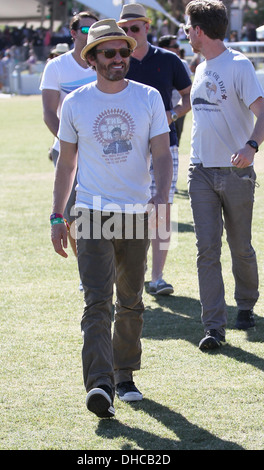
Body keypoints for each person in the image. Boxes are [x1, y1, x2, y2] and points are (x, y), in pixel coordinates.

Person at [50, 19, 173, 418]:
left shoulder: (149, 97)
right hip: (90, 212)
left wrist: (160, 196)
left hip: (136, 212)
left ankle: (125, 375)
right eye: (109, 53)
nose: (119, 58)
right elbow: (66, 164)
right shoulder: (77, 102)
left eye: (124, 51)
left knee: (132, 300)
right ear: (93, 58)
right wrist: (56, 216)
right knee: (97, 300)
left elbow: (161, 153)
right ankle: (100, 384)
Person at [184, 0, 264, 351]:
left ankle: (246, 304)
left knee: (240, 247)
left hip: (236, 171)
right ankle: (213, 327)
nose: (186, 34)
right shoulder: (199, 67)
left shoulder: (239, 65)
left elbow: (263, 112)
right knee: (207, 250)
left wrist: (250, 147)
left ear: (200, 30)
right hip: (200, 170)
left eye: (188, 28)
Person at [118, 3, 192, 296]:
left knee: (161, 207)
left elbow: (187, 98)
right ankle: (133, 271)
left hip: (165, 145)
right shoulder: (116, 59)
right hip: (126, 147)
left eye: (134, 28)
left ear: (147, 27)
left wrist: (170, 116)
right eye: (124, 30)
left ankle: (157, 277)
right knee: (129, 208)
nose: (129, 34)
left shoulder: (169, 60)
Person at [40, 11, 99, 259]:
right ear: (73, 33)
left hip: (101, 151)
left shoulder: (105, 63)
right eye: (85, 30)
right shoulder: (57, 67)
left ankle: (112, 269)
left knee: (104, 213)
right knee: (73, 213)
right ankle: (86, 271)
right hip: (67, 151)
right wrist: (71, 145)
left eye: (94, 30)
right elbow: (49, 113)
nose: (90, 35)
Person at [158, 34, 192, 144]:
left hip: (179, 106)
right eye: (175, 45)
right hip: (163, 109)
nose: (179, 48)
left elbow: (189, 89)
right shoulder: (156, 63)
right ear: (165, 48)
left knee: (177, 137)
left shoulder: (182, 63)